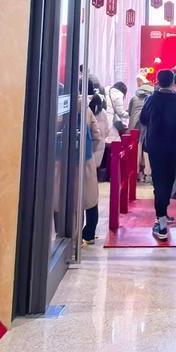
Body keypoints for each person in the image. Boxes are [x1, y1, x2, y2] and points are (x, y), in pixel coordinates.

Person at [140, 69, 176, 240]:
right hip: (172, 148)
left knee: (159, 181)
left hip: (155, 147)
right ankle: (161, 218)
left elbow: (142, 119)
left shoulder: (151, 100)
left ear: (157, 81)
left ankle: (161, 215)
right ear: (172, 82)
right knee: (168, 181)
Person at [80, 92, 108, 245]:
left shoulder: (61, 105)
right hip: (86, 158)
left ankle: (70, 236)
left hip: (63, 161)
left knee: (68, 198)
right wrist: (93, 158)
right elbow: (97, 136)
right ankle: (89, 233)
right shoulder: (87, 109)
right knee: (90, 198)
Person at [128, 79, 154, 182]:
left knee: (136, 146)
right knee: (147, 148)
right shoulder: (152, 98)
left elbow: (130, 112)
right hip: (147, 123)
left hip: (135, 124)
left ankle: (135, 171)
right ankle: (148, 174)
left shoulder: (134, 97)